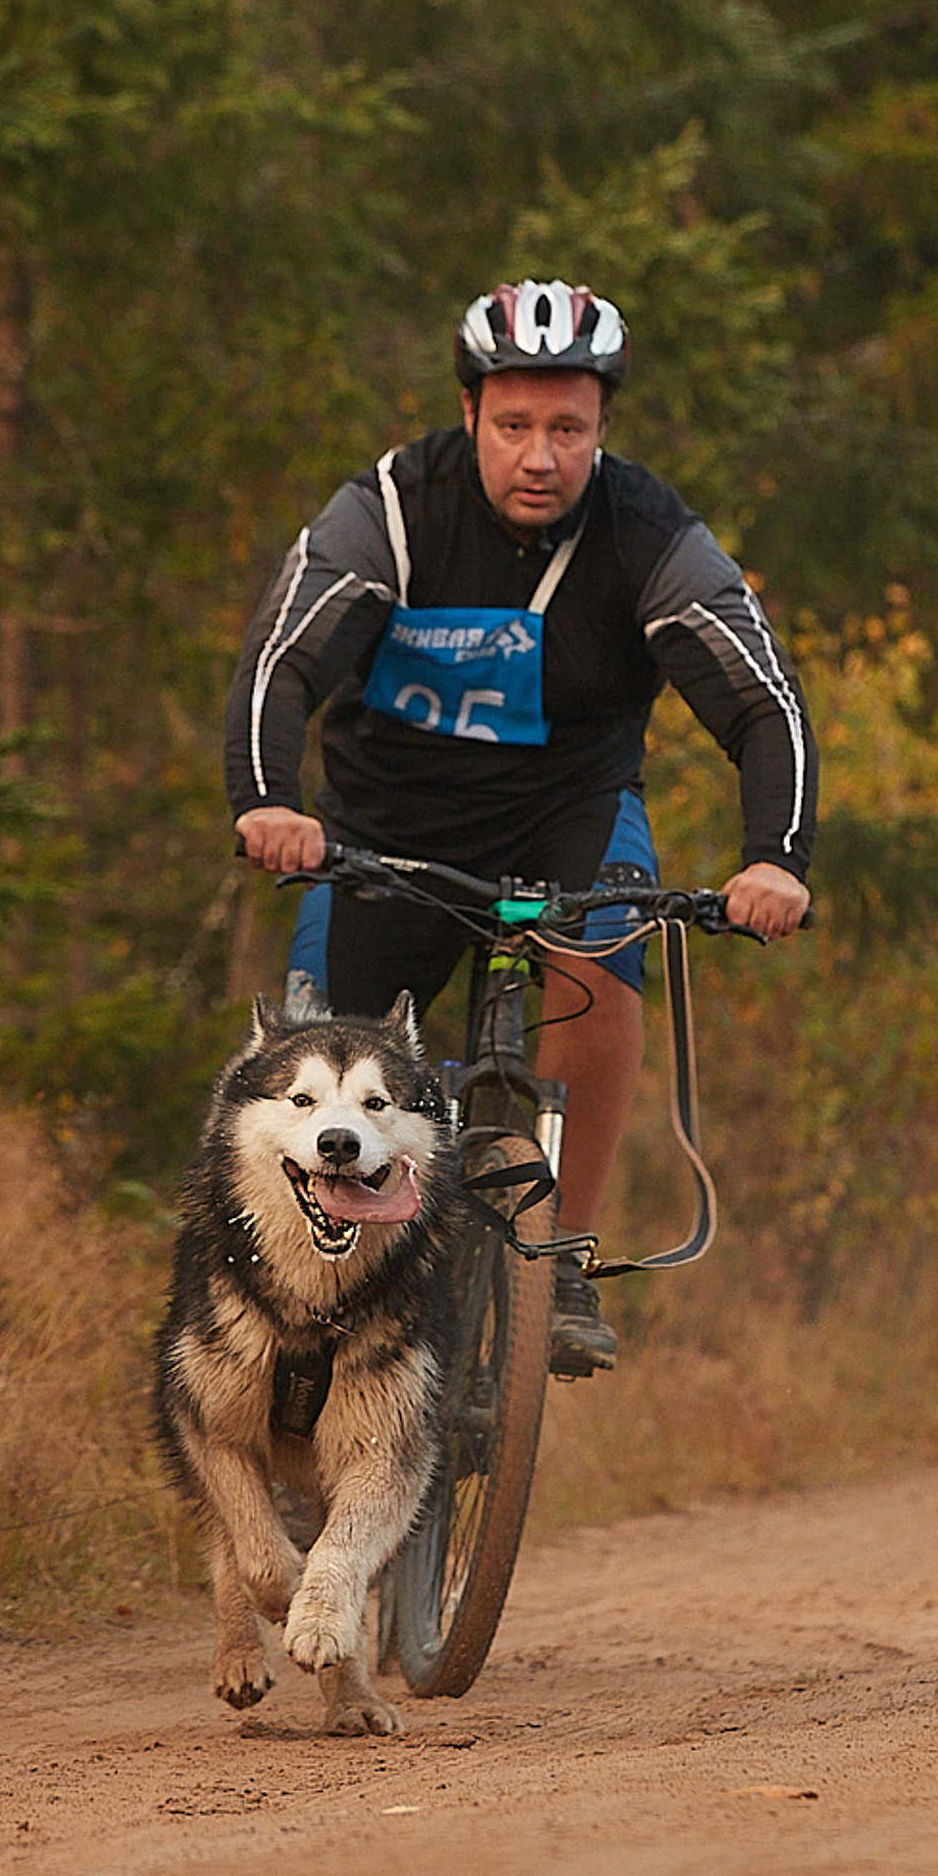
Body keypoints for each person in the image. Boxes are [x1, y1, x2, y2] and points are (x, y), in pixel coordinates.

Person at [225, 278, 816, 1377]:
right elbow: (285, 659)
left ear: (601, 428)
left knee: (600, 947)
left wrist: (773, 858)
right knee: (329, 1065)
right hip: (384, 830)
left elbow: (759, 700)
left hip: (567, 816)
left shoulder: (646, 532)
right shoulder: (393, 509)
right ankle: (320, 1301)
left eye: (567, 429)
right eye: (513, 427)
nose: (539, 455)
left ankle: (562, 1256)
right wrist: (268, 799)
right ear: (468, 417)